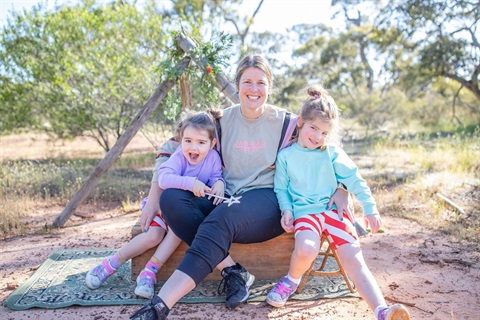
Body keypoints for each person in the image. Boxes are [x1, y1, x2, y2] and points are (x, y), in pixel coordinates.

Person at [130, 55, 352, 320]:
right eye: (248, 81)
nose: (254, 89)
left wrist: (342, 188)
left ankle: (160, 305)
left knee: (221, 219)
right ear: (238, 85)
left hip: (266, 202)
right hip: (224, 196)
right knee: (173, 201)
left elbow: (328, 148)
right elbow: (171, 146)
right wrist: (155, 196)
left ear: (269, 87)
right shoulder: (220, 121)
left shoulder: (288, 123)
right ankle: (233, 271)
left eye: (261, 82)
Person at [266, 84, 411, 320]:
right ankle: (290, 281)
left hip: (334, 211)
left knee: (355, 260)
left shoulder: (331, 152)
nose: (318, 137)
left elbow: (354, 178)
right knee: (306, 248)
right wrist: (286, 209)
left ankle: (382, 311)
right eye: (314, 128)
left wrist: (370, 207)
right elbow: (281, 188)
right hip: (305, 213)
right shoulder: (286, 156)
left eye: (324, 133)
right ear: (300, 121)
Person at [85, 110, 225, 299]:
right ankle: (110, 264)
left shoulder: (214, 158)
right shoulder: (178, 157)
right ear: (181, 139)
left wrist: (219, 183)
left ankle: (149, 272)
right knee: (153, 236)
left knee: (178, 232)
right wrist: (190, 183)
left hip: (185, 211)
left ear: (212, 144)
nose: (194, 147)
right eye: (188, 140)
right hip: (164, 208)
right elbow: (164, 179)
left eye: (201, 142)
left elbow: (216, 175)